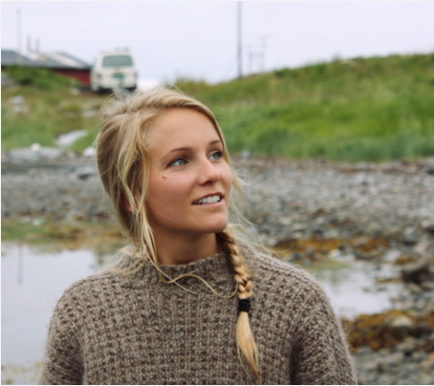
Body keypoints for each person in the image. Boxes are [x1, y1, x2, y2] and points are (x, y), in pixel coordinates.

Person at [39, 86, 357, 385]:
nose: (212, 174)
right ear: (131, 194)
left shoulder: (295, 300)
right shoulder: (84, 310)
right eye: (181, 161)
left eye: (216, 154)